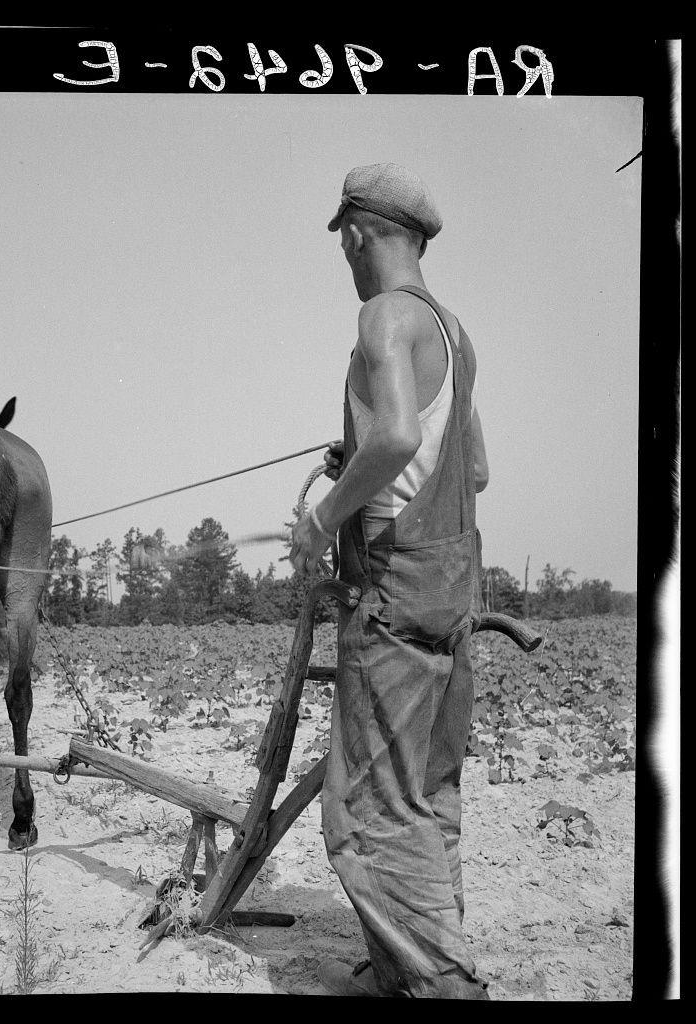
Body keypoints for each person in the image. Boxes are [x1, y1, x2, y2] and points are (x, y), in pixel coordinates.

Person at [289, 163, 490, 999]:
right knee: (427, 791)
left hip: (392, 590)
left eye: (342, 237)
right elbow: (471, 468)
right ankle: (399, 964)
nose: (342, 250)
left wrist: (323, 517)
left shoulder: (382, 318)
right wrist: (364, 459)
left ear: (358, 233)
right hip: (452, 587)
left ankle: (438, 984)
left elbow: (400, 440)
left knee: (367, 810)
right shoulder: (451, 333)